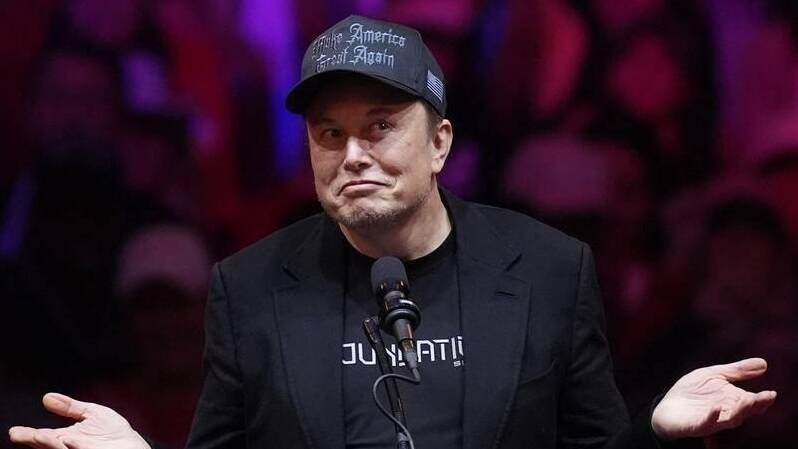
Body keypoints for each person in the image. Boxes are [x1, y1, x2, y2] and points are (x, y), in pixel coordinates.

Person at [9, 15, 776, 449]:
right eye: (329, 133)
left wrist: (661, 434)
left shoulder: (548, 269)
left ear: (440, 142)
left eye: (380, 127)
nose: (353, 155)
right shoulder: (246, 288)